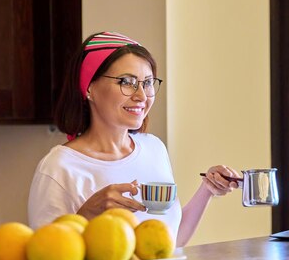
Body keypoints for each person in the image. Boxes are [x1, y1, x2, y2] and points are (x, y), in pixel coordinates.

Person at [27, 31, 240, 246]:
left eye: (147, 82)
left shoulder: (154, 149)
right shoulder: (58, 168)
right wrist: (86, 215)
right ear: (89, 87)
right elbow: (48, 256)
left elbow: (171, 241)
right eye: (126, 82)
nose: (141, 95)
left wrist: (208, 190)